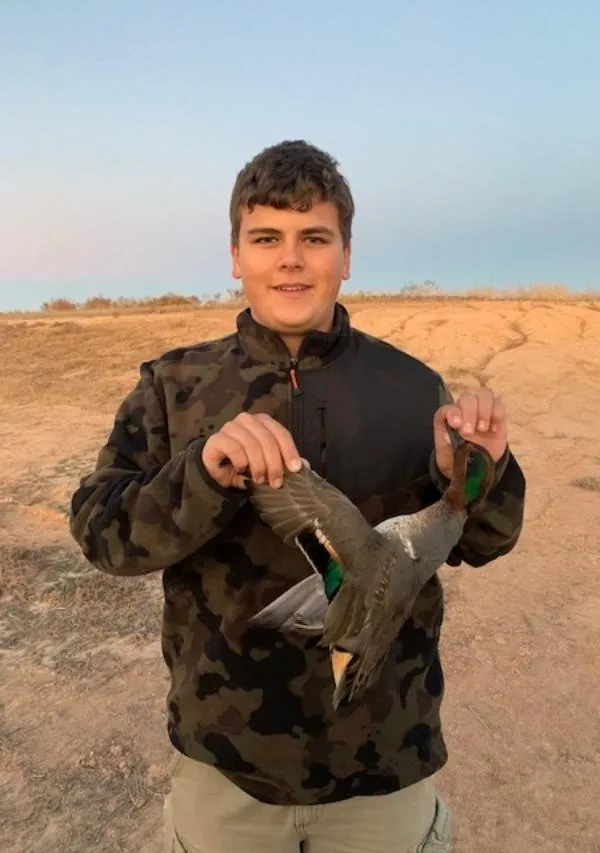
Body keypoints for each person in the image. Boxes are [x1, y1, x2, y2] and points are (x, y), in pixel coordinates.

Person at [69, 139, 526, 853]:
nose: (291, 258)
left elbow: (486, 540)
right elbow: (101, 532)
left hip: (383, 768)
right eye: (267, 238)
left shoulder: (413, 389)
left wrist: (478, 470)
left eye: (315, 237)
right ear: (235, 256)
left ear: (346, 256)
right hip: (227, 773)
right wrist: (203, 471)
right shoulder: (173, 387)